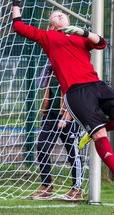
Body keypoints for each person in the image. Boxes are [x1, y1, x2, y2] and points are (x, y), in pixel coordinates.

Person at [12, 0, 114, 193]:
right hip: (75, 93)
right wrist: (15, 2)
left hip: (97, 85)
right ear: (51, 24)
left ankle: (91, 133)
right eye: (55, 15)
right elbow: (18, 26)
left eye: (62, 13)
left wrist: (82, 32)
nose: (59, 14)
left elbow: (101, 43)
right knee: (99, 135)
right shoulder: (48, 37)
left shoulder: (80, 37)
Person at [31, 62, 83, 200]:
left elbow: (76, 97)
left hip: (69, 116)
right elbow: (45, 88)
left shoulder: (72, 69)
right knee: (42, 145)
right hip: (51, 115)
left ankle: (77, 189)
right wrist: (44, 110)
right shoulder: (49, 69)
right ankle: (46, 186)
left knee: (73, 152)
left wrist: (66, 118)